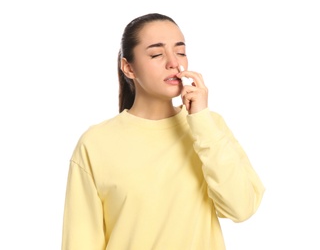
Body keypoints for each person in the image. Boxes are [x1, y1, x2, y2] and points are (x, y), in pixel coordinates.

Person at [61, 13, 265, 250]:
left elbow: (241, 208)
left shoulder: (209, 126)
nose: (173, 62)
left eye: (180, 52)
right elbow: (80, 242)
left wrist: (201, 121)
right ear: (128, 67)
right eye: (157, 54)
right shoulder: (95, 143)